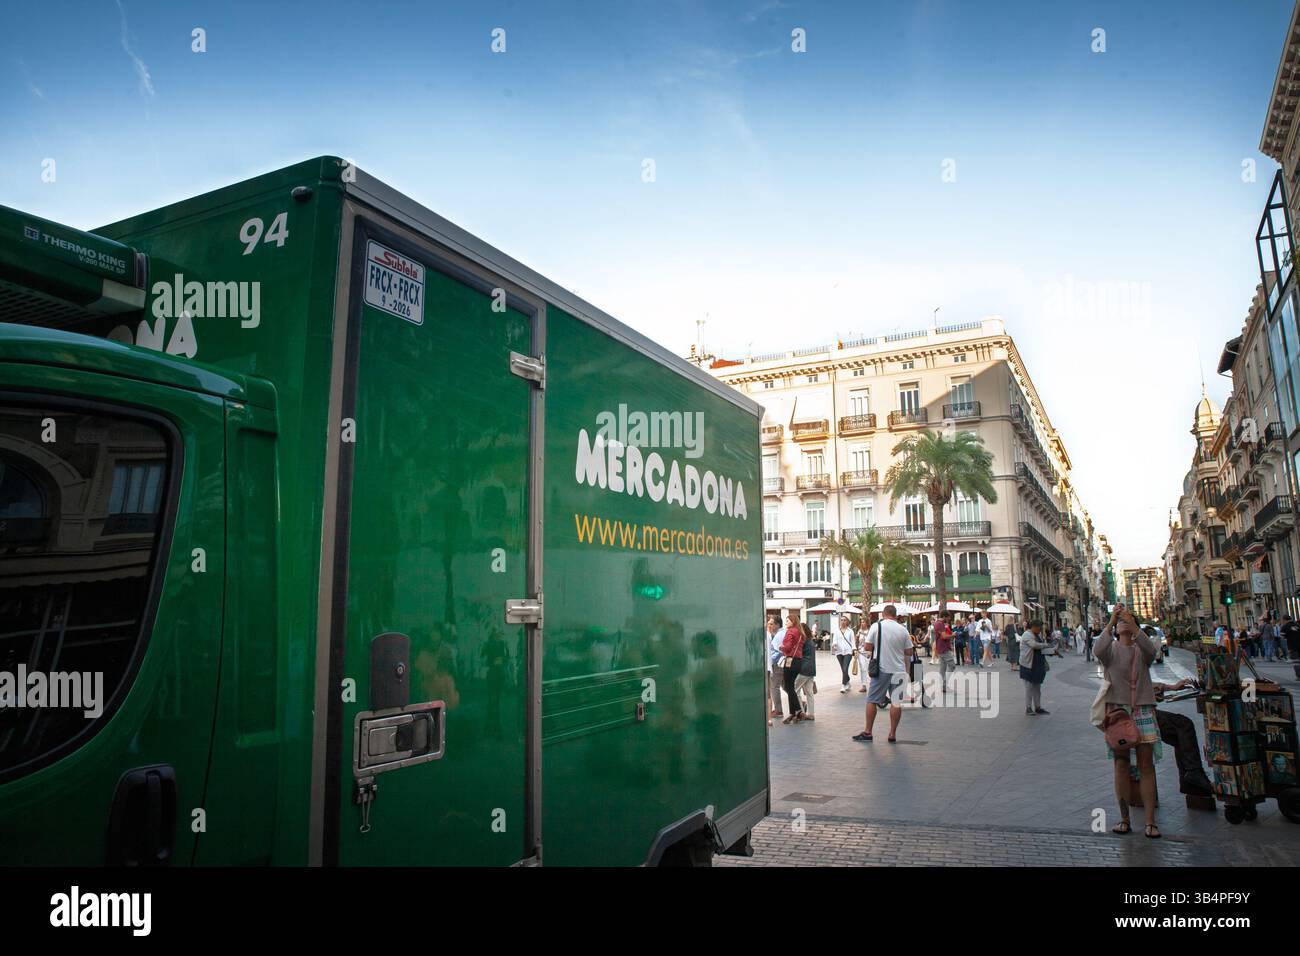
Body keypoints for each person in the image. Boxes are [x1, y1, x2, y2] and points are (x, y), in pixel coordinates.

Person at [1094, 605, 1161, 838]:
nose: (1123, 623)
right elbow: (1097, 649)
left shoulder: (1141, 649)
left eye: (1127, 620)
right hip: (1118, 714)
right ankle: (1124, 819)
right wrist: (1111, 621)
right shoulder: (1110, 650)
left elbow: (1153, 653)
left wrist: (1135, 628)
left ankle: (1150, 822)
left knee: (1145, 766)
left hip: (1142, 710)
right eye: (1120, 622)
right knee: (1121, 765)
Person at [852, 604, 913, 743]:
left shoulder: (876, 626)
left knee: (872, 700)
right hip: (899, 670)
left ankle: (868, 732)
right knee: (896, 703)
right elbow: (909, 651)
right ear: (896, 615)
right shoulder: (903, 629)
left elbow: (867, 646)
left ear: (883, 614)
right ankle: (892, 734)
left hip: (881, 669)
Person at [1151, 677, 1214, 796]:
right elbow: (1141, 684)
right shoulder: (1132, 661)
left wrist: (1170, 689)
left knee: (1178, 735)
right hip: (1137, 714)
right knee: (1184, 725)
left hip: (1134, 711)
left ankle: (1188, 782)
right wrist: (1171, 687)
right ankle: (1193, 770)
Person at [778, 610, 809, 724]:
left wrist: (781, 647)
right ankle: (793, 712)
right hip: (798, 661)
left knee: (788, 686)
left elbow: (788, 646)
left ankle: (799, 710)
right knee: (790, 686)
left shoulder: (790, 631)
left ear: (793, 621)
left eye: (787, 621)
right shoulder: (800, 632)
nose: (786, 623)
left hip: (790, 660)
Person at [1018, 619, 1052, 715]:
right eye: (1039, 628)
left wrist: (1052, 652)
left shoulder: (1038, 635)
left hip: (1037, 664)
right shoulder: (1027, 634)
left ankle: (1038, 707)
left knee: (1037, 687)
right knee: (1029, 688)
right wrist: (1046, 645)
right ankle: (1028, 708)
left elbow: (1041, 649)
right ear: (1033, 627)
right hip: (1028, 665)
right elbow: (1034, 645)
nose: (1040, 629)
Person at [794, 623, 817, 721]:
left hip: (803, 668)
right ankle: (811, 714)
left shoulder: (802, 641)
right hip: (811, 669)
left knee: (795, 689)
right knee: (809, 692)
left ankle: (801, 712)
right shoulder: (810, 641)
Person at [831, 615, 856, 693]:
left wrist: (854, 650)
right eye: (841, 620)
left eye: (844, 620)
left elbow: (853, 642)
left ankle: (843, 685)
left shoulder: (850, 631)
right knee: (843, 669)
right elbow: (834, 641)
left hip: (848, 652)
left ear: (847, 622)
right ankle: (847, 681)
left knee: (845, 668)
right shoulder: (837, 631)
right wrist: (834, 645)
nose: (843, 621)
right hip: (839, 652)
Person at [766, 616, 785, 720]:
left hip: (777, 664)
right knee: (785, 685)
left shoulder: (778, 636)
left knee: (774, 687)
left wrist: (769, 662)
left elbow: (777, 652)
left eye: (772, 624)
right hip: (782, 663)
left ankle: (778, 710)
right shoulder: (780, 633)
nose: (770, 626)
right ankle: (799, 702)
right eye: (769, 624)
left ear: (777, 625)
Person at [933, 612, 956, 697]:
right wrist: (953, 635)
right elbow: (944, 636)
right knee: (952, 666)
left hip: (940, 647)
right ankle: (944, 684)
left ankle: (943, 686)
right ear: (944, 617)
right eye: (948, 617)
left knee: (943, 668)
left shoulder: (937, 623)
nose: (949, 619)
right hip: (944, 648)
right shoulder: (940, 624)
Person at [854, 619, 873, 693]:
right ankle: (864, 685)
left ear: (867, 623)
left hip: (868, 652)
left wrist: (870, 651)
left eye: (863, 622)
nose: (862, 623)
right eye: (861, 622)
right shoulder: (859, 631)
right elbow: (856, 642)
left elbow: (872, 642)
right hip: (860, 652)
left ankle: (871, 684)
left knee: (869, 668)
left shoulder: (870, 632)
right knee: (862, 668)